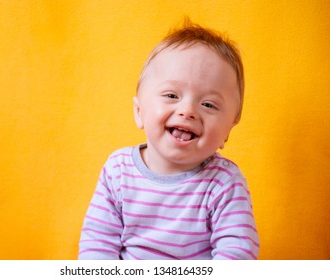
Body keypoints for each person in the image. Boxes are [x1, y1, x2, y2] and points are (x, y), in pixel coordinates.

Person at [78, 19, 259, 260]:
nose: (188, 110)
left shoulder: (224, 183)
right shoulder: (117, 171)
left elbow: (237, 254)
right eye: (172, 95)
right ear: (139, 112)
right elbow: (97, 245)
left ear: (227, 131)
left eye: (208, 104)